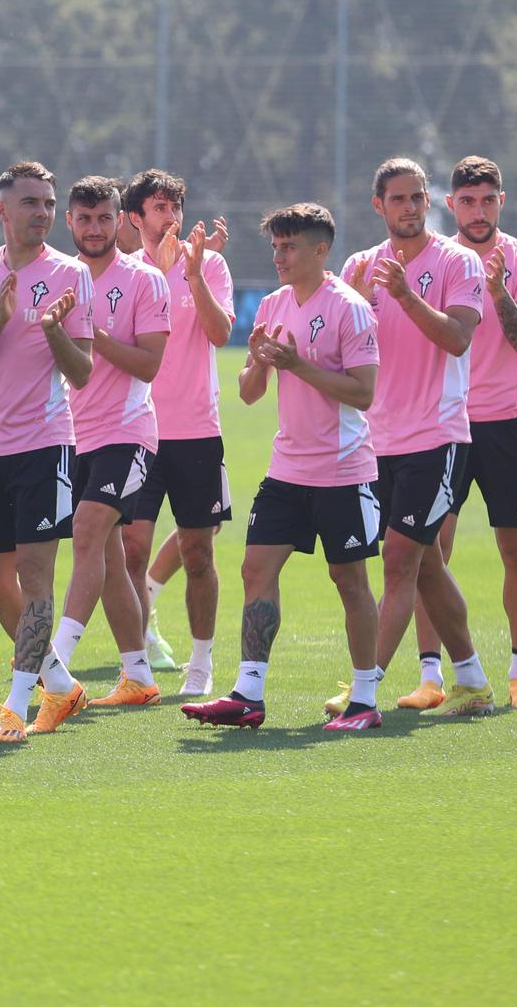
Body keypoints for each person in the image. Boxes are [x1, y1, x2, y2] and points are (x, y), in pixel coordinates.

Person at [182, 204, 385, 731]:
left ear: (321, 251)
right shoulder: (272, 304)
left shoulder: (350, 308)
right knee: (255, 570)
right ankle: (248, 694)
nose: (279, 256)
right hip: (287, 469)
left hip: (344, 471)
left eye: (289, 247)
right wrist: (260, 363)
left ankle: (365, 700)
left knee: (349, 580)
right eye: (275, 246)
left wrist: (299, 365)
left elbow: (364, 393)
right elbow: (250, 394)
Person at [328, 158, 494, 716]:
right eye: (398, 199)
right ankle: (471, 678)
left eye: (418, 197)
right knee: (423, 564)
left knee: (399, 560)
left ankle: (364, 687)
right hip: (376, 442)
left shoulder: (457, 260)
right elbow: (342, 351)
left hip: (438, 436)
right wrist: (342, 305)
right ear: (378, 205)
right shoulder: (359, 265)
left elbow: (457, 339)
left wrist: (402, 294)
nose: (409, 207)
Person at [0, 161, 95, 744]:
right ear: (2, 210)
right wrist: (1, 322)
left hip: (47, 444)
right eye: (30, 202)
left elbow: (82, 372)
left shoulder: (69, 274)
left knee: (35, 579)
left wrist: (53, 331)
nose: (42, 213)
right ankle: (59, 683)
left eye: (48, 203)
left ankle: (15, 706)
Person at [433, 157, 517, 708]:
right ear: (451, 204)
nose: (477, 211)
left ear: (501, 201)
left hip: (508, 422)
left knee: (516, 551)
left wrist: (497, 290)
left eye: (487, 200)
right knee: (429, 551)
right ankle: (433, 675)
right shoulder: (433, 259)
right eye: (466, 201)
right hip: (444, 424)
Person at [120, 170, 234, 694]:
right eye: (159, 208)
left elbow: (220, 332)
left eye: (175, 207)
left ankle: (203, 664)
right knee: (132, 551)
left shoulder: (210, 265)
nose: (170, 217)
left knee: (198, 551)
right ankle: (137, 666)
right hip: (136, 430)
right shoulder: (125, 272)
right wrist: (163, 275)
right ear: (136, 219)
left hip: (195, 430)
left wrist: (192, 276)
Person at [60, 177, 171, 708]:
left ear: (120, 219)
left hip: (127, 433)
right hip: (73, 434)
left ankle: (50, 664)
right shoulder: (60, 278)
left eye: (104, 217)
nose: (95, 228)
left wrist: (93, 334)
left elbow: (149, 364)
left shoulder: (144, 281)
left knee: (87, 532)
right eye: (84, 219)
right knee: (103, 558)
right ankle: (138, 676)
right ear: (70, 223)